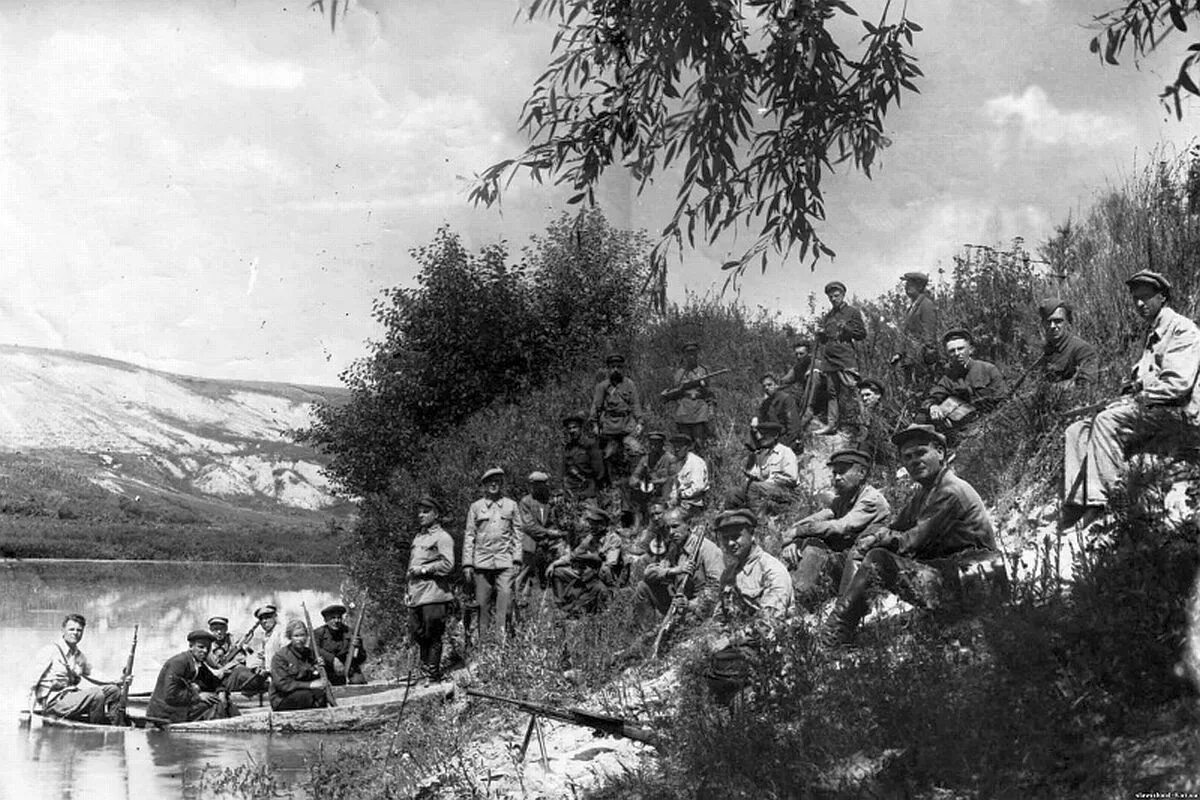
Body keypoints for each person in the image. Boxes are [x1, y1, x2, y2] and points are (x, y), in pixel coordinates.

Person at [822, 425, 999, 647]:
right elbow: (896, 526)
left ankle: (833, 635)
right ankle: (837, 625)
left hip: (975, 586)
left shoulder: (950, 490)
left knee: (877, 559)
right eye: (908, 457)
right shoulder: (926, 491)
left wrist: (878, 540)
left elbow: (910, 542)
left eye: (921, 453)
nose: (914, 461)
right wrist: (876, 538)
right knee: (865, 550)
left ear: (941, 453)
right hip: (954, 577)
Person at [1061, 271, 1200, 529]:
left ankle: (1104, 503)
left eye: (1146, 297)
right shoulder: (1151, 336)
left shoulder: (1182, 329)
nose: (1139, 304)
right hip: (1155, 413)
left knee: (1106, 421)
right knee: (1076, 430)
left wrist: (1137, 399)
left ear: (1163, 298)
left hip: (1182, 417)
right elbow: (1146, 379)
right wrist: (1130, 391)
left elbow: (1178, 385)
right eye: (1135, 298)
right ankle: (1075, 505)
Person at [779, 449, 891, 606]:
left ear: (862, 473)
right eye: (835, 473)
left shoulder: (871, 499)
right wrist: (793, 536)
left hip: (866, 568)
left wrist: (798, 532)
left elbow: (841, 526)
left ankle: (795, 601)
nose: (837, 478)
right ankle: (788, 597)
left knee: (813, 544)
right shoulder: (843, 499)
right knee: (809, 543)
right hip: (846, 564)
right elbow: (819, 518)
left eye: (843, 472)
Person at [633, 508, 724, 628]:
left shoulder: (707, 549)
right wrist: (675, 570)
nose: (671, 532)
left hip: (698, 607)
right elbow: (649, 573)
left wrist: (690, 604)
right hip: (677, 601)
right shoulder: (673, 547)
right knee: (643, 587)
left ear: (689, 525)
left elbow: (716, 589)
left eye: (675, 526)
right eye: (667, 528)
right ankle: (649, 632)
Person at [29, 614, 127, 724]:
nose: (75, 633)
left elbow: (92, 673)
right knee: (97, 694)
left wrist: (117, 681)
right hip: (54, 702)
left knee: (114, 690)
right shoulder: (50, 650)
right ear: (63, 630)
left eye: (79, 630)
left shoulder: (78, 655)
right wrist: (29, 713)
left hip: (70, 697)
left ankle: (115, 726)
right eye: (71, 629)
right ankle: (96, 730)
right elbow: (31, 682)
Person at [463, 467, 524, 641]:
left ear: (502, 483)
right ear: (484, 485)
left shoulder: (511, 505)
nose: (494, 484)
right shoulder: (476, 507)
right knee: (482, 605)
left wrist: (517, 559)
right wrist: (467, 564)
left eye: (497, 480)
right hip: (482, 563)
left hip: (505, 562)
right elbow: (469, 536)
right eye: (490, 481)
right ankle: (484, 645)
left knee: (504, 603)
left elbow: (518, 534)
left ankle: (501, 644)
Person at [407, 494, 455, 683]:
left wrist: (424, 569)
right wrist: (407, 592)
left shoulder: (443, 537)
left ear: (436, 515)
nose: (421, 515)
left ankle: (432, 674)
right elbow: (411, 566)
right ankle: (424, 671)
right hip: (417, 595)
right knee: (419, 635)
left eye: (426, 512)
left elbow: (448, 565)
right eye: (419, 512)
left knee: (433, 635)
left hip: (434, 595)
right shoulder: (419, 537)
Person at [714, 508, 794, 621]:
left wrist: (728, 639)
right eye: (725, 538)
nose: (730, 543)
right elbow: (720, 616)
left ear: (752, 535)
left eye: (736, 536)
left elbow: (769, 623)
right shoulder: (728, 573)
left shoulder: (771, 570)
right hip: (735, 634)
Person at [145, 630, 239, 723]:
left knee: (222, 701)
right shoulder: (179, 663)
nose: (205, 651)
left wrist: (221, 691)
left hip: (178, 707)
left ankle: (232, 722)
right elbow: (170, 695)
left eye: (208, 648)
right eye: (201, 647)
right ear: (191, 647)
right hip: (164, 712)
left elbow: (213, 681)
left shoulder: (196, 662)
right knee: (215, 704)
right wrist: (198, 696)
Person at [813, 281, 867, 439]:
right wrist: (821, 335)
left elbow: (861, 334)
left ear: (843, 295)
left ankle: (863, 424)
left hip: (845, 357)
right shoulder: (828, 316)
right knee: (832, 393)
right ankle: (832, 425)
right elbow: (826, 339)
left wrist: (847, 329)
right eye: (830, 296)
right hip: (829, 359)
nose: (833, 298)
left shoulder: (852, 312)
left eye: (836, 295)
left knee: (853, 391)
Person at [548, 505, 624, 615]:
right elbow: (574, 555)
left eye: (595, 524)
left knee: (584, 607)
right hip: (588, 574)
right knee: (558, 572)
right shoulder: (590, 537)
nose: (591, 526)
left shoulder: (613, 539)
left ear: (603, 525)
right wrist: (555, 563)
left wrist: (590, 557)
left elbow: (610, 563)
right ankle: (560, 606)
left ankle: (605, 601)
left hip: (603, 578)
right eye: (591, 523)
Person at [926, 328, 1008, 429]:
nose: (957, 353)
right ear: (947, 354)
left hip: (989, 424)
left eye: (960, 348)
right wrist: (933, 406)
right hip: (961, 427)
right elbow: (935, 395)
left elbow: (1003, 401)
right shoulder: (948, 377)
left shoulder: (988, 369)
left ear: (971, 349)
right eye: (952, 351)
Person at [589, 353, 645, 482]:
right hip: (609, 428)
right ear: (608, 368)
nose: (616, 369)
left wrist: (640, 422)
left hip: (626, 426)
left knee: (636, 450)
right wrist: (595, 425)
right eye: (613, 367)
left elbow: (635, 404)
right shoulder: (603, 386)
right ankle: (613, 482)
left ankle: (634, 479)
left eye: (619, 367)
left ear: (623, 368)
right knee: (609, 455)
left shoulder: (629, 384)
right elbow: (596, 407)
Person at [516, 471, 566, 602]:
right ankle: (521, 597)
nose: (537, 488)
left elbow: (553, 521)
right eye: (534, 485)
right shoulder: (525, 502)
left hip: (547, 539)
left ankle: (557, 592)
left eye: (540, 485)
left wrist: (554, 532)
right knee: (527, 568)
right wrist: (549, 533)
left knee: (561, 553)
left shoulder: (549, 501)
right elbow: (529, 526)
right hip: (531, 538)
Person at [664, 341, 716, 450]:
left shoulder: (703, 371)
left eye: (694, 353)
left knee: (699, 441)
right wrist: (682, 388)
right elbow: (673, 393)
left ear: (697, 354)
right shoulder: (679, 373)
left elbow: (709, 393)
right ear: (684, 355)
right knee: (685, 442)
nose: (691, 356)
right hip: (684, 409)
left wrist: (711, 408)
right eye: (688, 353)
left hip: (699, 408)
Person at [1037, 298, 1099, 389]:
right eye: (1048, 321)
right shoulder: (1043, 351)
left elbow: (1086, 384)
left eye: (1058, 321)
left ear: (1066, 322)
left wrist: (1050, 389)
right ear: (1042, 323)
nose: (1052, 326)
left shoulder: (1082, 349)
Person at [270, 620, 330, 711]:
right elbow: (283, 685)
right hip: (282, 698)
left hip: (303, 693)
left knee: (320, 694)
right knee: (307, 696)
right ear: (290, 637)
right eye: (296, 636)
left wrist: (318, 669)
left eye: (302, 635)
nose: (300, 639)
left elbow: (313, 675)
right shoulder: (280, 656)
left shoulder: (310, 654)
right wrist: (310, 685)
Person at [892, 271, 939, 387]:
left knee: (921, 387)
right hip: (909, 357)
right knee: (910, 388)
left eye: (910, 284)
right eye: (906, 284)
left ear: (920, 286)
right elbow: (905, 332)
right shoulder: (912, 307)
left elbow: (929, 332)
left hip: (920, 358)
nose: (906, 287)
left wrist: (927, 355)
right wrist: (898, 353)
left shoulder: (926, 305)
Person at [741, 421, 799, 514]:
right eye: (760, 434)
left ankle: (759, 521)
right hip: (764, 489)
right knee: (737, 491)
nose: (760, 437)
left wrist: (769, 481)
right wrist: (751, 475)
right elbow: (758, 475)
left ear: (775, 435)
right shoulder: (762, 455)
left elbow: (792, 478)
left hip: (785, 491)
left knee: (753, 488)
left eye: (765, 434)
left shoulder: (786, 452)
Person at [206, 615, 269, 696]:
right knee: (240, 671)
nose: (219, 632)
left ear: (226, 629)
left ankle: (258, 681)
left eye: (221, 629)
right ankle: (259, 683)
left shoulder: (234, 641)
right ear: (210, 630)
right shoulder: (206, 646)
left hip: (234, 677)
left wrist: (226, 668)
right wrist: (219, 672)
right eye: (215, 629)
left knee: (241, 670)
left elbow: (240, 659)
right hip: (217, 683)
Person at [313, 604, 367, 686]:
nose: (336, 621)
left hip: (348, 669)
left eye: (339, 617)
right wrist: (332, 659)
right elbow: (313, 649)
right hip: (328, 669)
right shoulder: (318, 633)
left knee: (359, 683)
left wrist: (358, 648)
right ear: (325, 620)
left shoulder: (351, 632)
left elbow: (361, 658)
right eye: (333, 618)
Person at [753, 373, 804, 450]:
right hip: (772, 440)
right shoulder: (765, 404)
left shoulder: (785, 399)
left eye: (769, 385)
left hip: (787, 440)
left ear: (776, 385)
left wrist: (784, 444)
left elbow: (794, 426)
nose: (767, 388)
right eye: (764, 386)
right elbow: (763, 424)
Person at [561, 412, 605, 500]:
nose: (572, 431)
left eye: (574, 427)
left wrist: (596, 488)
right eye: (569, 428)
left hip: (588, 490)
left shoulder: (590, 445)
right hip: (571, 490)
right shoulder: (568, 448)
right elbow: (564, 470)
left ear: (581, 428)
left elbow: (599, 471)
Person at [667, 433, 709, 517]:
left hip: (693, 504)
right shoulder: (679, 463)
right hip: (680, 502)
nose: (677, 449)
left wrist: (680, 495)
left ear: (687, 447)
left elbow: (698, 487)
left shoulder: (695, 462)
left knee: (671, 517)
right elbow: (675, 485)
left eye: (680, 447)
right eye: (675, 447)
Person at [244, 605, 284, 672]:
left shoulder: (281, 632)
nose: (264, 621)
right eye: (261, 619)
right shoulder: (266, 636)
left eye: (267, 617)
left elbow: (286, 655)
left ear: (275, 617)